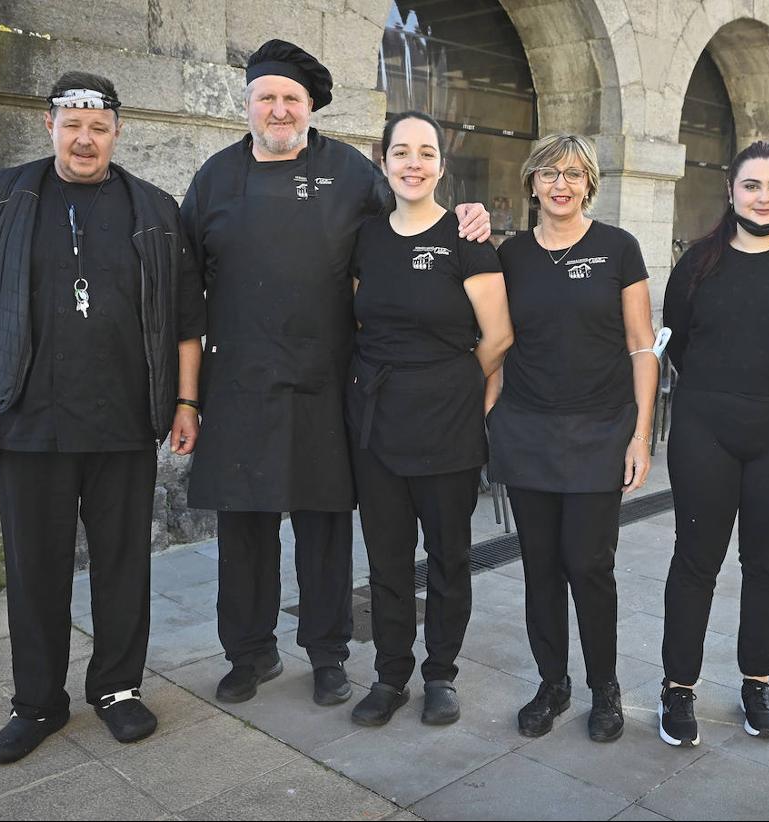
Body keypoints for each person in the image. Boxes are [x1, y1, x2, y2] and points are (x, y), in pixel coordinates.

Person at [181, 40, 490, 707]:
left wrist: (470, 215)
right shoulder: (212, 179)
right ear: (248, 104)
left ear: (310, 107)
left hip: (329, 383)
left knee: (324, 529)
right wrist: (185, 396)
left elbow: (414, 218)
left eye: (292, 98)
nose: (279, 108)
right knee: (245, 531)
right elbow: (184, 290)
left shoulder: (351, 173)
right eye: (267, 96)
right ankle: (250, 653)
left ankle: (327, 655)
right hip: (238, 384)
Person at [0, 71, 205, 763]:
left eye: (98, 126)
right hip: (28, 421)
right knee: (35, 569)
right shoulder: (6, 197)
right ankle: (37, 703)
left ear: (117, 131)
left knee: (124, 564)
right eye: (71, 124)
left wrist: (185, 401)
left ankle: (117, 688)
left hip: (124, 421)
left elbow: (186, 321)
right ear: (49, 125)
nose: (84, 138)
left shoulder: (153, 207)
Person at [656, 141, 769, 747]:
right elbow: (678, 343)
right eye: (753, 185)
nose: (765, 197)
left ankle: (756, 680)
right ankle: (677, 687)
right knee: (695, 560)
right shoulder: (698, 264)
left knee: (768, 562)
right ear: (731, 190)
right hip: (706, 426)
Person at [486, 134, 658, 743]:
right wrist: (489, 419)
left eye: (575, 174)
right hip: (527, 430)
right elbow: (498, 343)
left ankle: (604, 687)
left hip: (600, 429)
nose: (562, 184)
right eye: (550, 173)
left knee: (589, 565)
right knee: (539, 567)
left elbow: (642, 345)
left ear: (590, 185)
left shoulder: (618, 248)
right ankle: (552, 683)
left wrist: (641, 435)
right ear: (531, 184)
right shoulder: (510, 256)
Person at [345, 111, 513, 727]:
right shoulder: (365, 237)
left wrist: (462, 393)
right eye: (400, 152)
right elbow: (362, 320)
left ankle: (440, 673)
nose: (413, 163)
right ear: (384, 162)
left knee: (447, 559)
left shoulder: (468, 240)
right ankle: (390, 675)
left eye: (425, 152)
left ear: (442, 165)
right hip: (377, 426)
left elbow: (497, 337)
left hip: (447, 425)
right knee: (388, 562)